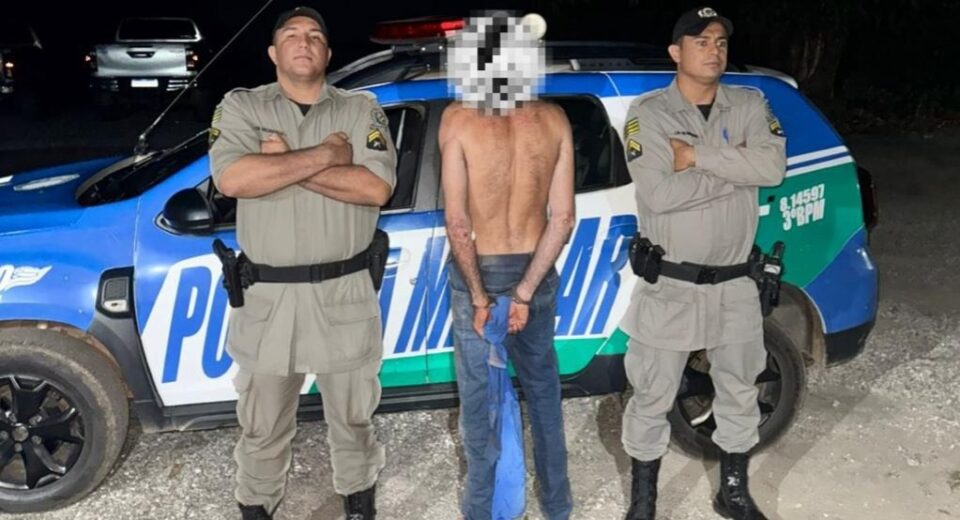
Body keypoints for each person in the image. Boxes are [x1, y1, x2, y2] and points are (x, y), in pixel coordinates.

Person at [208, 6, 396, 520]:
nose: (304, 41)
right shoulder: (242, 106)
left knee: (354, 419)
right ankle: (257, 505)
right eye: (291, 34)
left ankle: (358, 502)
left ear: (327, 53)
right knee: (262, 422)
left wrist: (283, 159)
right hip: (268, 298)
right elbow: (234, 179)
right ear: (273, 52)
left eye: (315, 35)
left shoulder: (360, 109)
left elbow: (375, 187)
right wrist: (327, 156)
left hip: (344, 292)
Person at [618, 6, 786, 520]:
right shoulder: (649, 113)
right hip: (673, 282)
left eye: (720, 42)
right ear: (676, 52)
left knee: (740, 388)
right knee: (652, 393)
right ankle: (644, 502)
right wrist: (736, 171)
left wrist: (695, 157)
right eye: (701, 42)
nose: (714, 51)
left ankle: (733, 492)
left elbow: (772, 168)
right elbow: (660, 194)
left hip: (735, 282)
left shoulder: (750, 103)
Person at [439, 12, 576, 520]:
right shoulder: (555, 121)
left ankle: (482, 510)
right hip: (535, 273)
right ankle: (557, 507)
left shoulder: (459, 120)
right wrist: (524, 293)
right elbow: (563, 220)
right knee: (543, 394)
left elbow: (458, 223)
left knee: (481, 404)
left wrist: (481, 298)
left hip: (481, 271)